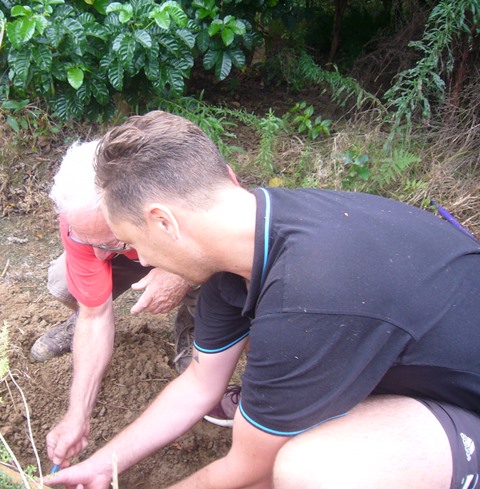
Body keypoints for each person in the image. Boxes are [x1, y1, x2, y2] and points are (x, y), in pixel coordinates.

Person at [47, 110, 480, 489]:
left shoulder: (308, 293)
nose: (140, 259)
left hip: (466, 407)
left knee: (309, 470)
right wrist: (104, 463)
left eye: (132, 242)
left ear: (163, 222)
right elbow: (200, 384)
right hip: (419, 372)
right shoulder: (248, 246)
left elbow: (251, 472)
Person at [38, 140, 239, 467]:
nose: (99, 256)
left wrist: (177, 273)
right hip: (139, 242)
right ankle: (79, 325)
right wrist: (78, 415)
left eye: (108, 240)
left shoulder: (196, 186)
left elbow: (230, 239)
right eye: (87, 240)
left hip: (184, 240)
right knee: (64, 281)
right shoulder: (80, 216)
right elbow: (95, 316)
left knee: (212, 277)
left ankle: (193, 322)